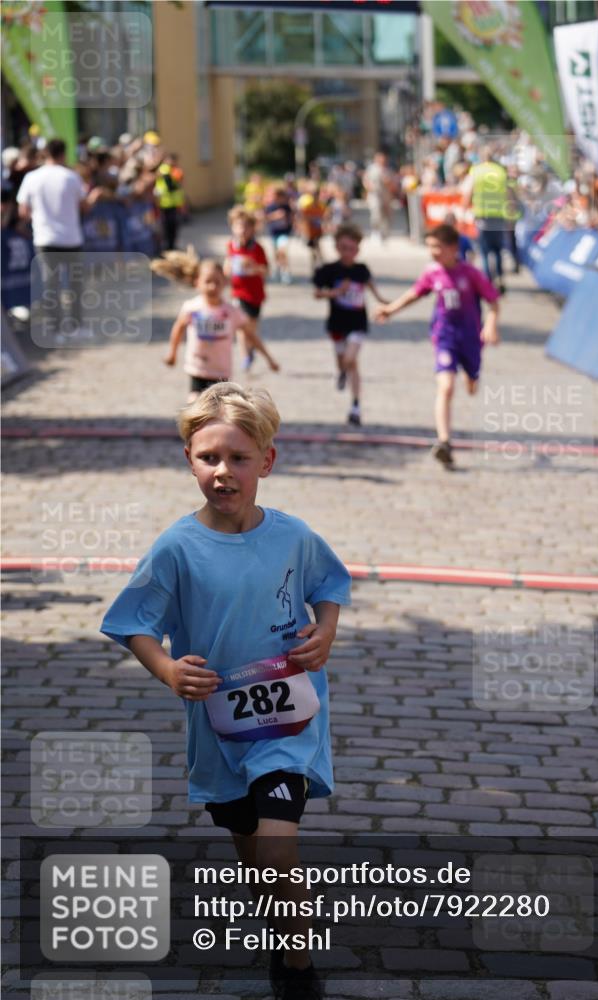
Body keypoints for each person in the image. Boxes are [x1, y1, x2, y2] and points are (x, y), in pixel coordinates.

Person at [101, 382, 351, 1000]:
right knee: (248, 841)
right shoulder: (176, 548)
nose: (223, 471)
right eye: (208, 457)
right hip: (220, 727)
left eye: (239, 458)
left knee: (276, 840)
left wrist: (325, 631)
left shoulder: (294, 535)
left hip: (288, 721)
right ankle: (279, 928)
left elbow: (330, 584)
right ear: (189, 458)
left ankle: (298, 970)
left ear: (267, 460)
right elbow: (133, 622)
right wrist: (166, 670)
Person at [375, 223, 500, 470]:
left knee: (472, 385)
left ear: (453, 248)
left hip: (471, 338)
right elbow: (414, 294)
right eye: (429, 246)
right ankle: (444, 441)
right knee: (446, 387)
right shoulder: (432, 272)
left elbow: (493, 302)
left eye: (437, 247)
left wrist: (491, 325)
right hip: (445, 337)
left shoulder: (471, 274)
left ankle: (470, 375)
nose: (432, 252)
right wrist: (390, 309)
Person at [16, 137, 99, 341]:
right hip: (71, 239)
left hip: (45, 239)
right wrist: (94, 197)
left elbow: (23, 212)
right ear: (63, 153)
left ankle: (56, 330)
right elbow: (84, 207)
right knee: (75, 285)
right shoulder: (71, 177)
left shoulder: (32, 178)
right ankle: (77, 326)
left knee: (50, 286)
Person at [163, 258, 279, 401]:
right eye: (208, 282)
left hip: (221, 372)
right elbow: (178, 328)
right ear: (197, 282)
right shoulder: (191, 308)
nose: (212, 286)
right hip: (198, 367)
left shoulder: (232, 312)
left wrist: (269, 359)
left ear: (225, 283)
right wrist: (172, 353)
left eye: (217, 282)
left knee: (219, 411)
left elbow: (251, 335)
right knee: (194, 403)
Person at [313, 223, 387, 427]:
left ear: (358, 249)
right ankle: (341, 372)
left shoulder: (361, 270)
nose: (348, 253)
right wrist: (335, 292)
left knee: (351, 359)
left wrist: (386, 304)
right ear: (337, 247)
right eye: (344, 248)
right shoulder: (329, 270)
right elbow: (317, 293)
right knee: (342, 361)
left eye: (352, 248)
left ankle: (355, 406)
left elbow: (373, 289)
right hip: (337, 323)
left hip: (357, 323)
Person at [224, 207, 270, 371]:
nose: (242, 230)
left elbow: (266, 270)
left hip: (255, 294)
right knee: (241, 326)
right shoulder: (231, 245)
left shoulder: (257, 248)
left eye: (246, 226)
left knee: (251, 327)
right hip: (238, 292)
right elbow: (227, 265)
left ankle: (250, 350)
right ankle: (245, 356)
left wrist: (253, 266)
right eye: (238, 226)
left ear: (252, 228)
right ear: (233, 227)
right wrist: (226, 270)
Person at [461, 146, 509, 293]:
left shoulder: (476, 171)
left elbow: (468, 192)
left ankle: (488, 280)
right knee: (498, 249)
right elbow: (507, 192)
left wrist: (463, 209)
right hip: (499, 214)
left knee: (485, 250)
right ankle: (500, 277)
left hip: (482, 215)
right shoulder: (500, 171)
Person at [154, 153, 185, 251]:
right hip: (165, 203)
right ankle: (167, 247)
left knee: (173, 226)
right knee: (166, 227)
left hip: (173, 203)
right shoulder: (165, 169)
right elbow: (172, 186)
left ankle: (171, 246)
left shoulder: (174, 170)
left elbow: (180, 183)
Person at [264, 187, 294, 284]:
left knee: (282, 252)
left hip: (284, 233)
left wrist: (289, 221)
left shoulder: (286, 207)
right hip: (274, 233)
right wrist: (275, 216)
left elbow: (291, 219)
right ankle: (278, 270)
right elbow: (265, 218)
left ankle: (285, 273)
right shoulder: (270, 207)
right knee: (276, 254)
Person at [363, 151, 395, 242]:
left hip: (386, 195)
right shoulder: (371, 168)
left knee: (386, 215)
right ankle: (375, 231)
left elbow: (393, 184)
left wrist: (388, 183)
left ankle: (384, 233)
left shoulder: (388, 169)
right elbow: (365, 180)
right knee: (375, 212)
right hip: (374, 194)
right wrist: (368, 187)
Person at [297, 183, 327, 270]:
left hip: (318, 231)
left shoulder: (321, 207)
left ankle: (320, 265)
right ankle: (316, 266)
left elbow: (325, 217)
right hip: (310, 231)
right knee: (314, 249)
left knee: (317, 248)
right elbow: (303, 218)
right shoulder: (308, 207)